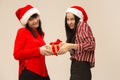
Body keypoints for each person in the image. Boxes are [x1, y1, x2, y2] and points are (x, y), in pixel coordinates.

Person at [13, 4, 51, 80]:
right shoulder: (22, 31)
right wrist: (39, 50)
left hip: (43, 73)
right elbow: (17, 54)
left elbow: (40, 51)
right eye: (31, 19)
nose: (35, 20)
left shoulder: (39, 33)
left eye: (36, 17)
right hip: (30, 73)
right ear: (26, 21)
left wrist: (50, 50)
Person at [58, 6, 95, 80]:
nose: (69, 22)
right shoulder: (75, 29)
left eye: (72, 19)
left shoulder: (82, 25)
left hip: (81, 68)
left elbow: (91, 44)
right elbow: (77, 51)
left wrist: (70, 45)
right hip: (76, 67)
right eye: (67, 20)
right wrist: (66, 46)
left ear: (77, 18)